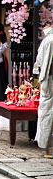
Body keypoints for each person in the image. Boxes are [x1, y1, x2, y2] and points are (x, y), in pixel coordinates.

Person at [34, 24, 53, 157]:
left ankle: (46, 146)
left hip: (48, 78)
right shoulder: (50, 40)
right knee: (47, 111)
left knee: (46, 111)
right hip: (49, 78)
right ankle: (47, 146)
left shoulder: (48, 40)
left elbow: (40, 61)